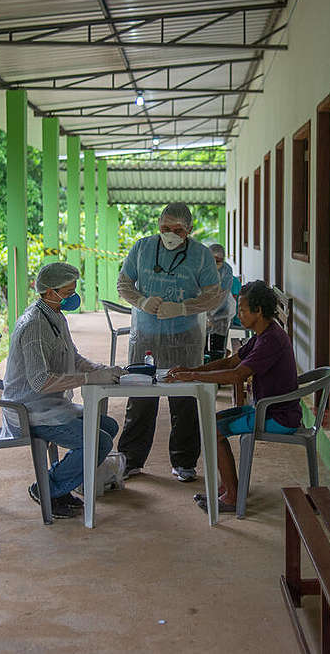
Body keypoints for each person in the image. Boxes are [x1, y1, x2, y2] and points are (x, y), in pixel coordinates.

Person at [1, 262, 124, 519]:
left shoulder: (54, 314)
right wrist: (88, 378)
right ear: (49, 291)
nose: (72, 296)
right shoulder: (34, 324)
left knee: (108, 426)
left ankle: (65, 478)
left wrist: (102, 369)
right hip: (30, 411)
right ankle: (47, 488)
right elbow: (40, 382)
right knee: (98, 441)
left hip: (49, 406)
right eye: (67, 292)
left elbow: (73, 356)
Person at [167, 280, 301, 513]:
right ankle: (230, 488)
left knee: (213, 429)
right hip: (267, 409)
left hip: (279, 416)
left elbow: (237, 374)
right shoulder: (262, 334)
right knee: (212, 424)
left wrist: (191, 376)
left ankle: (232, 496)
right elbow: (231, 361)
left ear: (258, 311)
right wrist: (193, 370)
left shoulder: (271, 341)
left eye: (242, 310)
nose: (239, 315)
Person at [115, 202, 225, 482]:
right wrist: (140, 300)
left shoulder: (200, 255)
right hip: (146, 336)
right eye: (165, 228)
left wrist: (184, 307)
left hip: (185, 337)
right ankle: (130, 459)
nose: (170, 234)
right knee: (140, 397)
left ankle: (184, 462)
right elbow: (123, 283)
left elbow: (214, 294)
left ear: (188, 230)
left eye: (177, 230)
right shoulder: (142, 248)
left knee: (185, 398)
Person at [205, 243, 242, 363]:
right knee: (202, 334)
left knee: (219, 331)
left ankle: (217, 359)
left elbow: (223, 294)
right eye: (212, 260)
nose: (215, 264)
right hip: (203, 305)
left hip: (223, 307)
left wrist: (212, 314)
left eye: (219, 261)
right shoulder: (202, 268)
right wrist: (205, 313)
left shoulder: (226, 270)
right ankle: (204, 357)